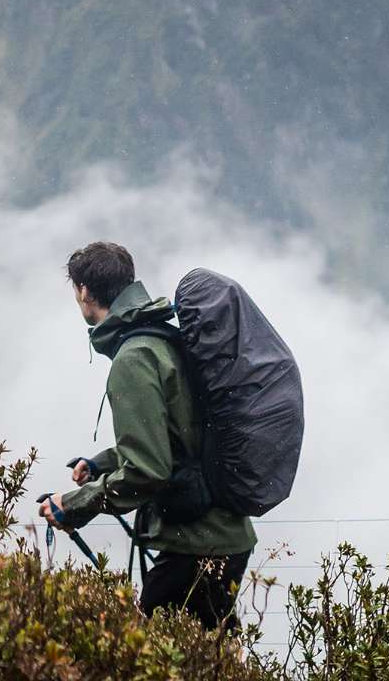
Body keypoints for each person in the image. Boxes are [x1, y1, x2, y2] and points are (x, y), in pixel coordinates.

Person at [37, 240, 258, 627]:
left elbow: (148, 470)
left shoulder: (135, 357)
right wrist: (101, 463)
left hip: (196, 544)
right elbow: (176, 436)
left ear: (85, 293)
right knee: (213, 659)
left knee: (149, 652)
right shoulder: (162, 337)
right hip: (224, 535)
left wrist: (73, 506)